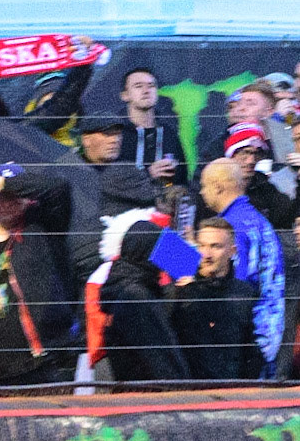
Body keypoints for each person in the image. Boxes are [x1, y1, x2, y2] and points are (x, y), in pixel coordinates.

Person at [0, 165, 78, 388]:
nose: (7, 202)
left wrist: (2, 184)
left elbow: (59, 187)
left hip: (37, 366)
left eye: (14, 196)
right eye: (0, 197)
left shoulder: (43, 226)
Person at [199, 158, 286, 378]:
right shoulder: (257, 220)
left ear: (217, 187)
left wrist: (173, 256)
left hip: (247, 339)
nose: (201, 192)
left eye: (204, 186)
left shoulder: (232, 227)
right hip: (270, 330)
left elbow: (232, 285)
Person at [94, 212, 189, 383]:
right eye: (159, 251)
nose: (163, 258)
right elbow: (163, 362)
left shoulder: (120, 283)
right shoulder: (136, 296)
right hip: (154, 398)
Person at [169, 217, 263, 381]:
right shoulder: (180, 292)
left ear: (232, 251)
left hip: (234, 391)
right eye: (201, 246)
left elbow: (254, 351)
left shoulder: (246, 294)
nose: (206, 254)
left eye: (215, 246)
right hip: (189, 391)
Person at [116, 67, 185, 185]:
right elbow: (109, 180)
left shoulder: (169, 134)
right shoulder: (116, 134)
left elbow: (183, 177)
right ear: (125, 95)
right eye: (138, 86)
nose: (146, 90)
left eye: (151, 86)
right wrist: (149, 174)